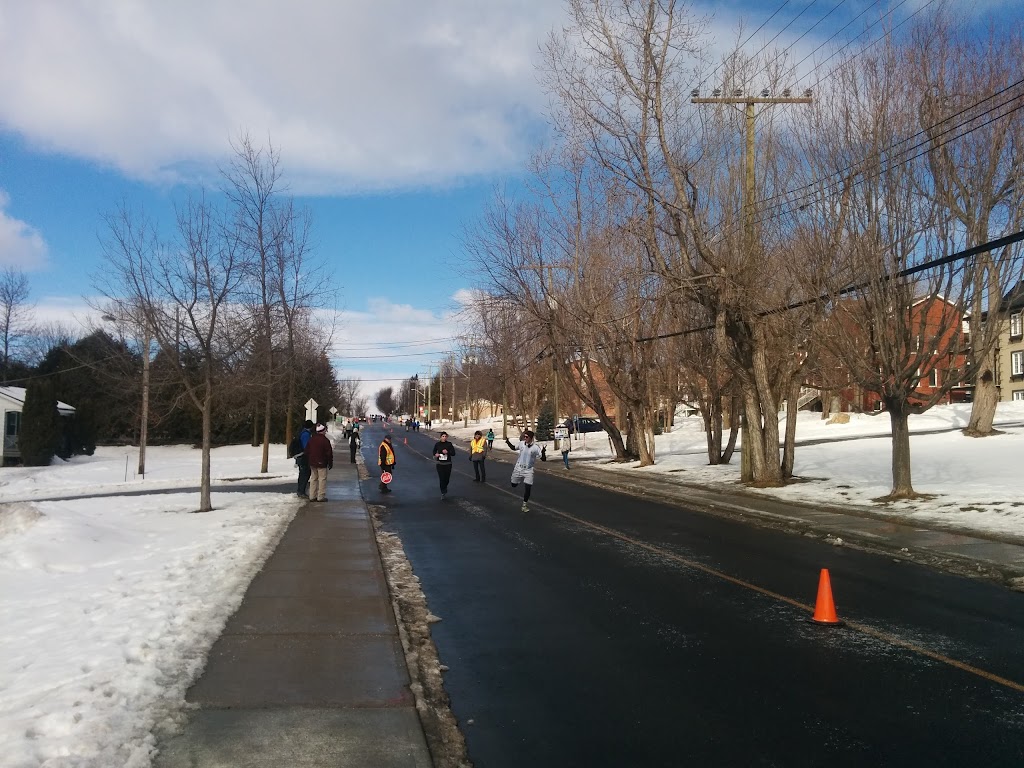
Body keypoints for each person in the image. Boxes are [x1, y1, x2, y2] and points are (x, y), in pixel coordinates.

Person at [505, 429, 543, 512]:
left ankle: (524, 505)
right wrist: (508, 442)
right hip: (518, 468)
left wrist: (543, 453)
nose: (525, 438)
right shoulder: (521, 443)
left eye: (526, 437)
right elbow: (513, 448)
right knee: (513, 485)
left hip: (528, 470)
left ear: (531, 438)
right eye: (524, 436)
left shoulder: (536, 448)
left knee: (528, 488)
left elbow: (543, 458)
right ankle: (516, 481)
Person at [305, 423, 334, 502]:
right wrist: (330, 463)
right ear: (322, 431)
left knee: (313, 478)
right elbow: (329, 453)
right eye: (325, 430)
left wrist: (309, 460)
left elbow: (307, 451)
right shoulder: (325, 441)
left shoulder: (311, 440)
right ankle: (320, 496)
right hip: (322, 462)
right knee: (322, 479)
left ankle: (312, 496)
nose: (325, 431)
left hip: (312, 463)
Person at [432, 431, 456, 499]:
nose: (444, 438)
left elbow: (453, 453)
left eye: (445, 436)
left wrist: (447, 452)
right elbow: (434, 452)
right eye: (443, 436)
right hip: (440, 464)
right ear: (440, 437)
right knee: (442, 478)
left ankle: (444, 487)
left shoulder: (449, 444)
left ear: (447, 437)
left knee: (446, 479)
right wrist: (436, 455)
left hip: (448, 464)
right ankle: (443, 492)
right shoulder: (437, 444)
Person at [294, 420, 315, 498]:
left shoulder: (301, 432)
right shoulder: (306, 434)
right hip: (303, 457)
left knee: (303, 474)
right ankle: (301, 491)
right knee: (305, 474)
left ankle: (300, 490)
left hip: (300, 456)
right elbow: (306, 446)